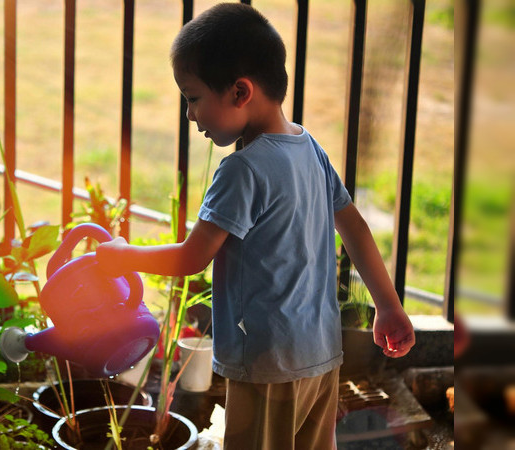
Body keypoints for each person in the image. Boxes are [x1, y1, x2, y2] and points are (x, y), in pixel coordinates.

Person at [95, 3, 415, 449]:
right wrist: (388, 305)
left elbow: (192, 257)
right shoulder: (309, 148)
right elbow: (356, 229)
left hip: (268, 365)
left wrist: (122, 257)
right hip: (322, 357)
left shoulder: (242, 170)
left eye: (193, 97)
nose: (190, 114)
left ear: (240, 92)